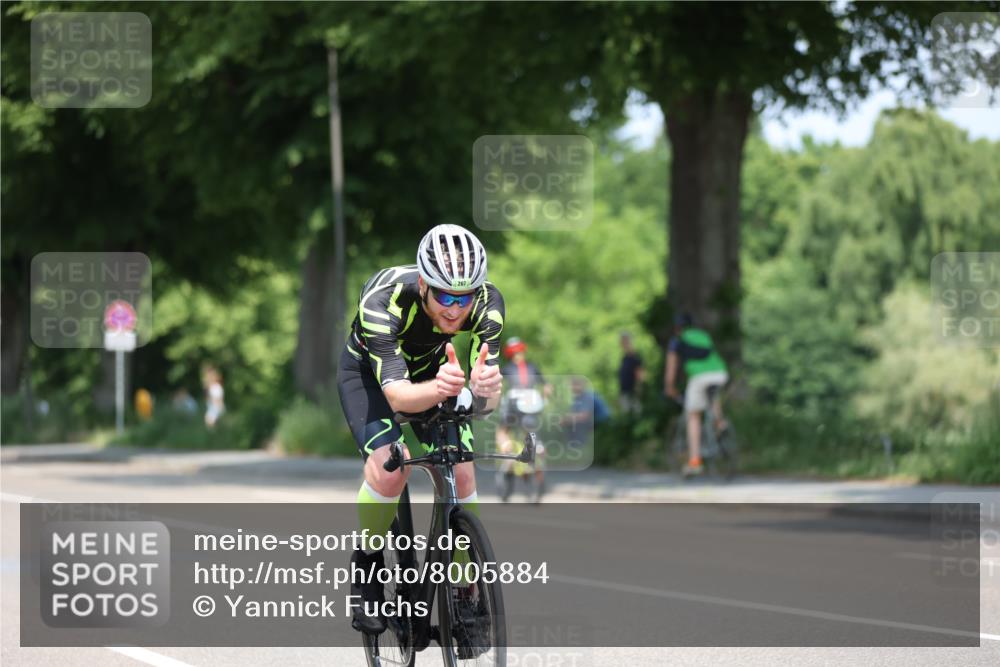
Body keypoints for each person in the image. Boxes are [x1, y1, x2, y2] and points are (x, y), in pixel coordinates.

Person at [336, 224, 504, 635]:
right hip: (371, 377)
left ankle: (465, 592)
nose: (455, 309)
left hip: (431, 372)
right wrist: (442, 388)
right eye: (445, 296)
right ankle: (368, 568)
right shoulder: (383, 303)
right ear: (424, 284)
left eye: (464, 298)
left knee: (462, 471)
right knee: (393, 467)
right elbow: (396, 398)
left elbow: (485, 402)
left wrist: (485, 391)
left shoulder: (489, 305)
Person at [664, 313, 729, 476]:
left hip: (700, 376)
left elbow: (671, 367)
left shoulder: (677, 340)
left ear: (677, 328)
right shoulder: (703, 335)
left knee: (693, 415)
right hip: (719, 373)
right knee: (712, 396)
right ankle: (720, 424)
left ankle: (695, 461)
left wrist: (669, 386)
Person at [495, 337, 550, 503]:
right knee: (530, 430)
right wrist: (543, 399)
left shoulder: (508, 368)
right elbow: (547, 387)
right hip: (531, 406)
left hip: (514, 406)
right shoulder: (532, 366)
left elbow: (497, 387)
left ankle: (508, 449)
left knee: (503, 430)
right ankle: (537, 448)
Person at [560, 376, 611, 448]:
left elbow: (584, 416)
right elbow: (574, 413)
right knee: (571, 423)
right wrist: (566, 419)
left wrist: (568, 420)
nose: (573, 387)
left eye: (576, 384)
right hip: (593, 421)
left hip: (602, 421)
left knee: (576, 424)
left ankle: (580, 447)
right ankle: (574, 446)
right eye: (572, 385)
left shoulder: (587, 396)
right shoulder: (578, 398)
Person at [617, 331, 645, 415]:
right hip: (625, 392)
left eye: (625, 341)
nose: (623, 344)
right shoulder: (624, 357)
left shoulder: (635, 356)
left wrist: (638, 387)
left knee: (636, 413)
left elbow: (640, 373)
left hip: (633, 392)